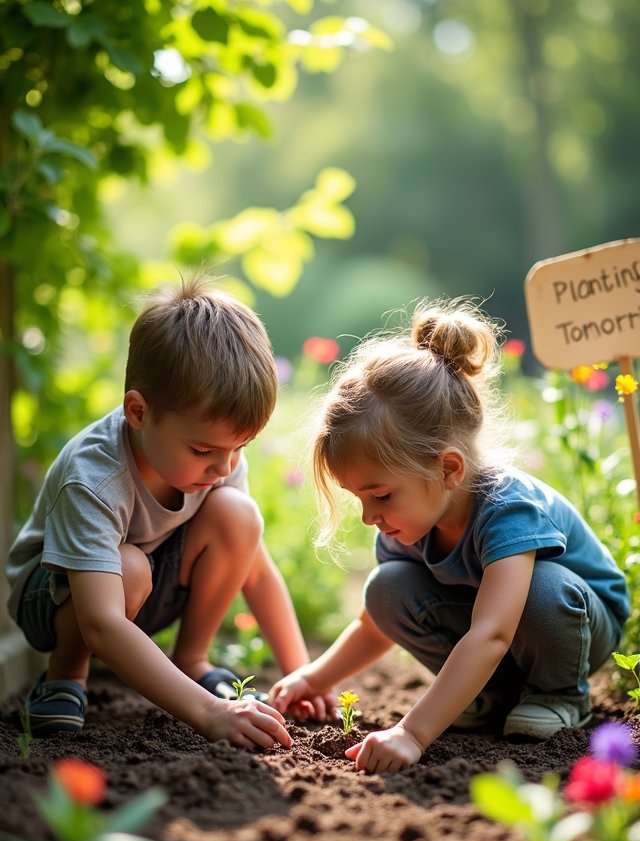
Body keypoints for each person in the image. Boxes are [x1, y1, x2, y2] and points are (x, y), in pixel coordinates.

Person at [270, 298, 630, 773]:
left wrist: (413, 732)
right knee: (386, 588)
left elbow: (493, 631)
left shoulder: (508, 509)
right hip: (499, 630)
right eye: (359, 498)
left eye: (380, 495)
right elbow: (374, 622)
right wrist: (315, 677)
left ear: (448, 468)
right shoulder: (409, 522)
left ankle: (559, 693)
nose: (368, 516)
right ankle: (488, 695)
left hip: (575, 623)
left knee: (543, 590)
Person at [7, 273, 322, 749]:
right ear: (138, 412)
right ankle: (65, 677)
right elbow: (102, 623)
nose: (224, 465)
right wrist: (211, 714)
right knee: (129, 567)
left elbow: (256, 571)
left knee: (238, 514)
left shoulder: (216, 457)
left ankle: (191, 661)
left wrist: (304, 674)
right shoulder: (93, 477)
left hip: (150, 587)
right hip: (60, 600)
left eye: (239, 448)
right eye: (203, 451)